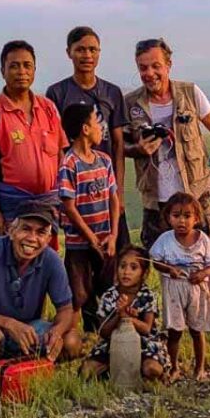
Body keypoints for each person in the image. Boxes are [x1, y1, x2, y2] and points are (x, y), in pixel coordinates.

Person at [124, 38, 210, 337]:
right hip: (155, 196)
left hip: (194, 192)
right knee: (154, 257)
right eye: (143, 68)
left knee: (204, 253)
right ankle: (151, 315)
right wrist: (137, 148)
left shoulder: (190, 93)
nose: (150, 73)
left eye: (156, 66)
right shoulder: (132, 103)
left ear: (168, 64)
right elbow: (122, 145)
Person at [46, 26, 130, 328]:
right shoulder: (57, 93)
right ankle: (81, 330)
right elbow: (54, 142)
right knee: (79, 277)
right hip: (77, 193)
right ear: (69, 52)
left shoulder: (111, 93)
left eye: (93, 49)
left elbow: (119, 142)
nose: (87, 55)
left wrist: (117, 189)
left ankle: (112, 326)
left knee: (112, 265)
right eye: (80, 49)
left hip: (104, 193)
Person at [0, 201, 84, 397]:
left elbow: (66, 309)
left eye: (41, 232)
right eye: (26, 229)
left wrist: (57, 332)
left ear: (49, 238)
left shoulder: (51, 260)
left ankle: (32, 368)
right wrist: (9, 324)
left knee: (72, 341)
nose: (32, 239)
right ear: (11, 230)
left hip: (31, 330)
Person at [0, 40, 67, 240]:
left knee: (44, 263)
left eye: (27, 65)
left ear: (34, 69)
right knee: (10, 263)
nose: (21, 71)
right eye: (14, 66)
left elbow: (60, 154)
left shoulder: (48, 108)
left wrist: (63, 200)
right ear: (2, 71)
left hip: (48, 204)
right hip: (11, 205)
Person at [59, 103, 120, 330]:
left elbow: (113, 198)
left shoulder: (104, 160)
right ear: (85, 128)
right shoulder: (69, 163)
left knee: (107, 286)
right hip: (79, 244)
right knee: (79, 293)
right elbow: (69, 207)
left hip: (106, 240)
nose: (100, 127)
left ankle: (106, 331)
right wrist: (91, 239)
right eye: (96, 121)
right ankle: (79, 334)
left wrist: (113, 235)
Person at [150, 192, 210, 382]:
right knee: (175, 331)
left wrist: (203, 274)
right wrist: (169, 269)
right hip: (174, 289)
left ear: (196, 218)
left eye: (187, 216)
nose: (182, 221)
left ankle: (200, 368)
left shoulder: (203, 239)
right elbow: (155, 261)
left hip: (197, 290)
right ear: (168, 218)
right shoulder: (165, 240)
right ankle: (174, 367)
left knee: (197, 330)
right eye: (176, 215)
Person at [81, 245, 168, 382]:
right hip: (113, 344)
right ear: (116, 270)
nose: (126, 272)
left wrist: (129, 319)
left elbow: (146, 329)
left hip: (144, 344)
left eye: (133, 268)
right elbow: (103, 331)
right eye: (122, 266)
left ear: (144, 274)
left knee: (152, 369)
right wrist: (118, 316)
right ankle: (115, 368)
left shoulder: (148, 295)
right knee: (86, 371)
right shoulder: (109, 296)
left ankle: (143, 372)